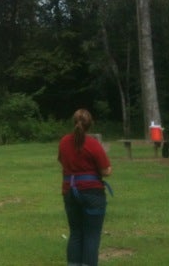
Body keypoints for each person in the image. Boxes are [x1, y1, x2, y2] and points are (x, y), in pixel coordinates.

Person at [58, 109, 112, 266]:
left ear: (73, 123)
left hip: (69, 191)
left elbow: (62, 161)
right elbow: (105, 171)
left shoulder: (64, 142)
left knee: (75, 233)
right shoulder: (93, 144)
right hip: (92, 193)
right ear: (90, 125)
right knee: (91, 235)